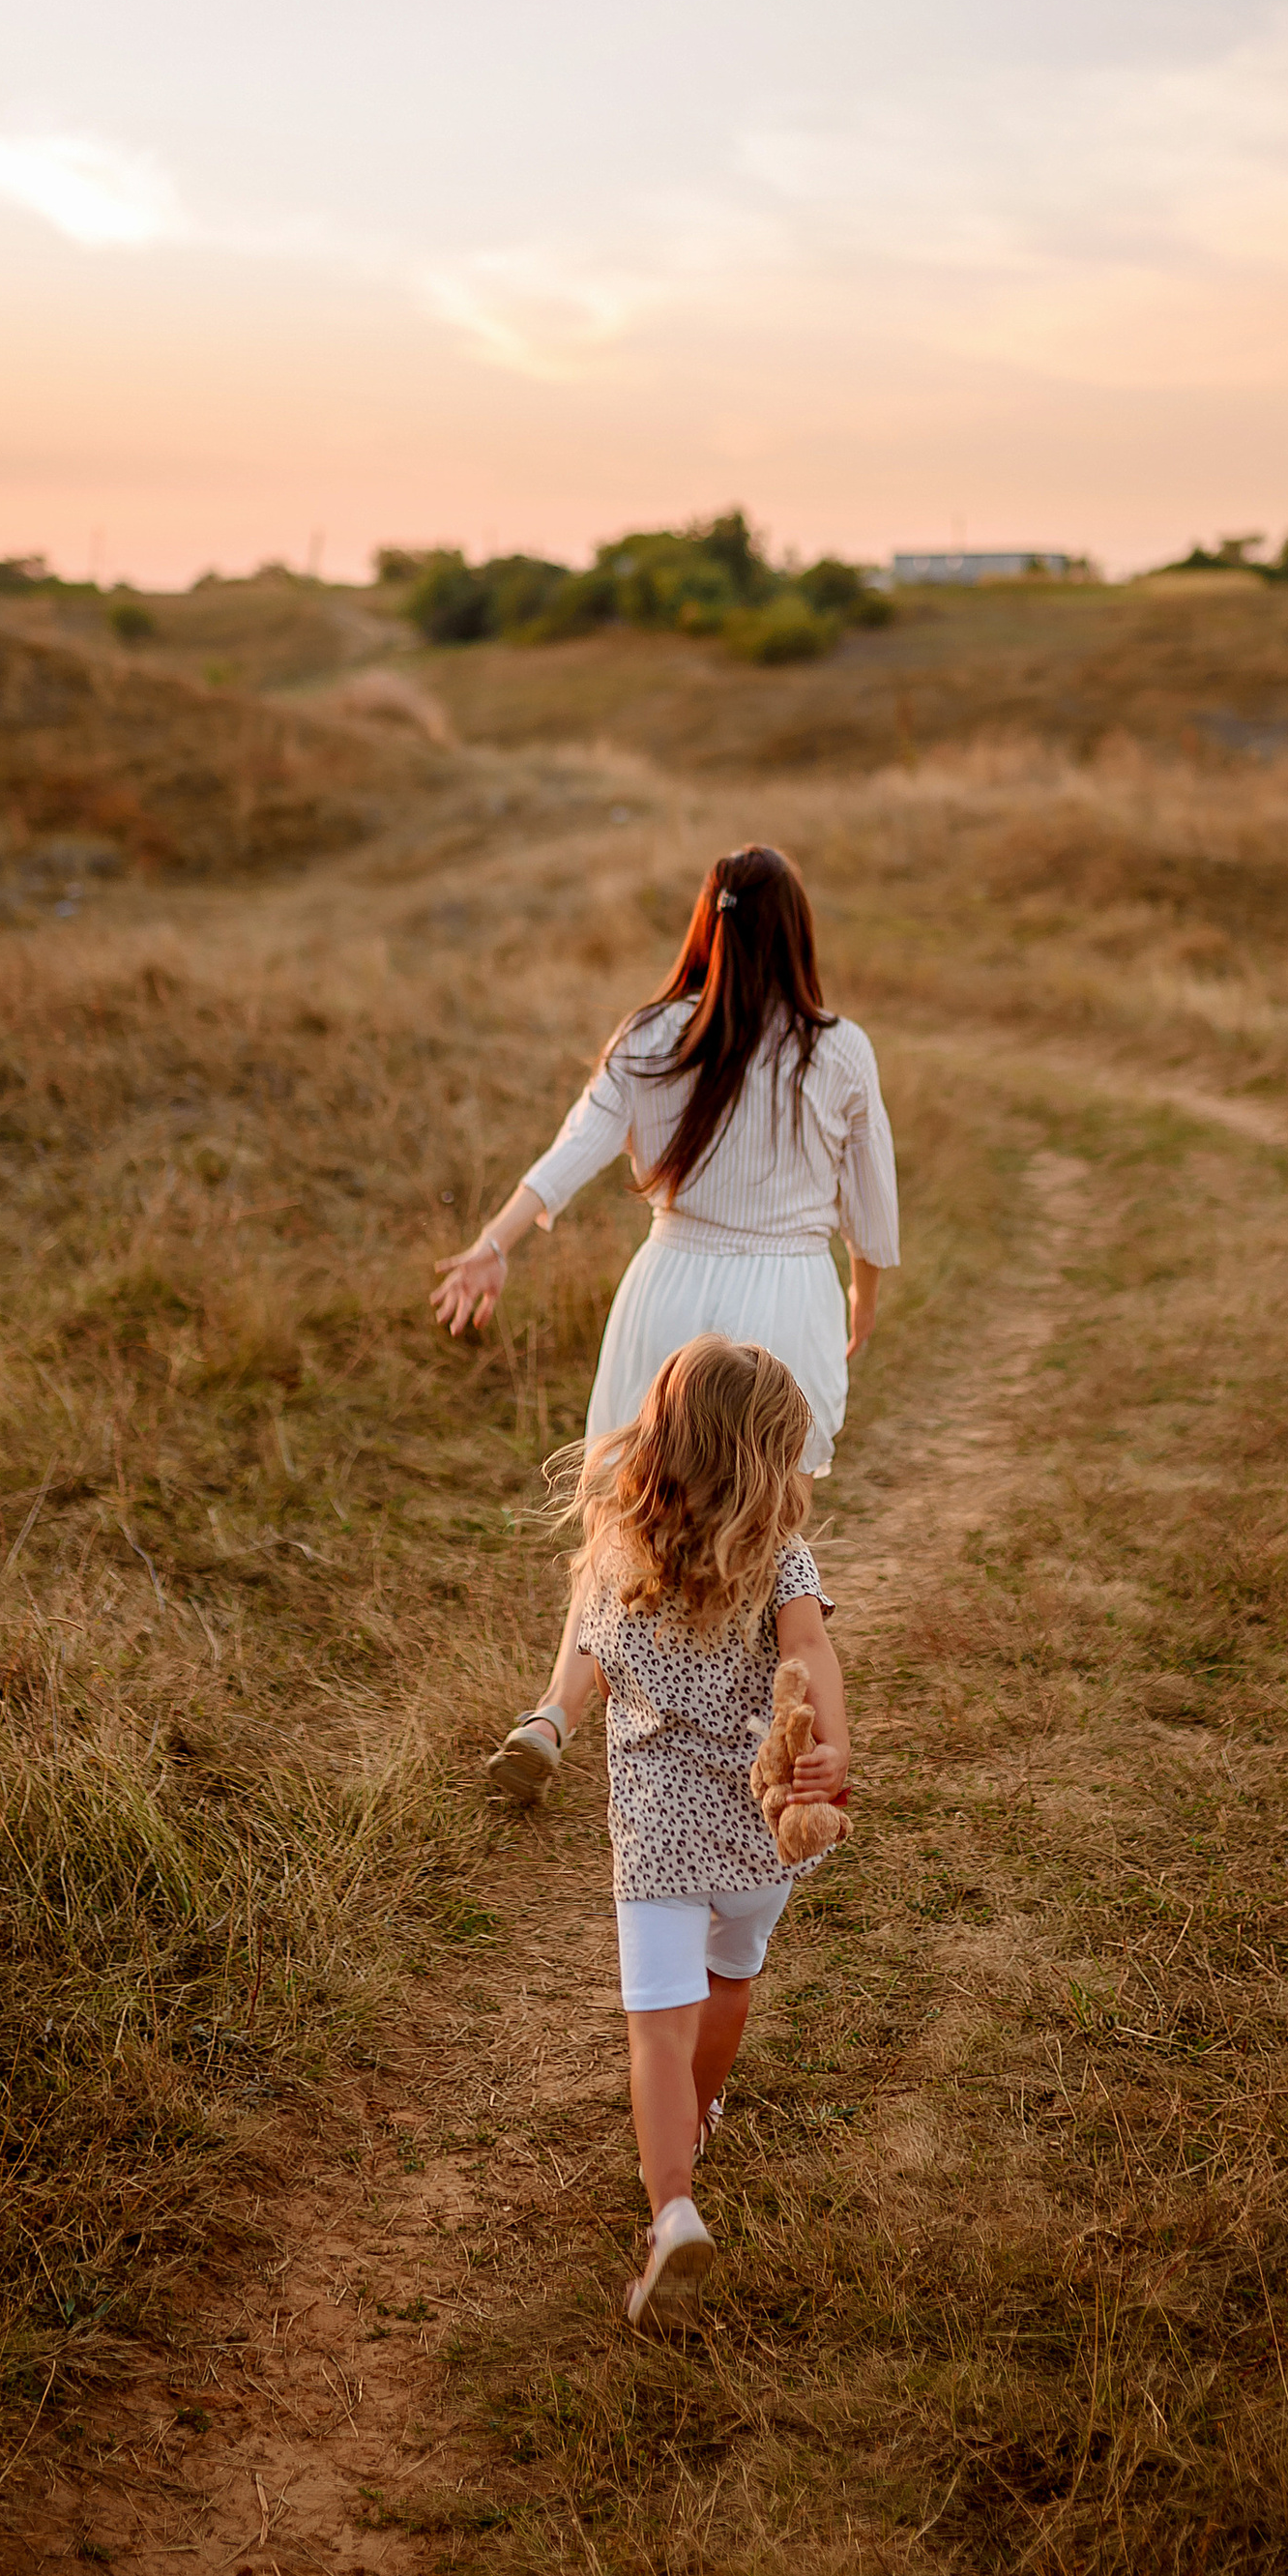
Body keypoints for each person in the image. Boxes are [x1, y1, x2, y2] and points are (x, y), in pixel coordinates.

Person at [428, 842, 896, 1802]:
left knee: (621, 1516)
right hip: (784, 1304)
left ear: (706, 925)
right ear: (797, 936)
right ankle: (749, 1734)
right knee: (764, 1530)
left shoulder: (651, 1035)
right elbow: (873, 1214)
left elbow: (572, 1153)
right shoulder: (836, 1047)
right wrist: (861, 1299)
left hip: (670, 1285)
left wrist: (494, 1241)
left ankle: (555, 1713)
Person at [560, 1332, 851, 2326]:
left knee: (658, 2022)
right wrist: (830, 1757)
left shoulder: (615, 1553)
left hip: (655, 1843)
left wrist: (553, 1714)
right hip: (755, 1835)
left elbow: (590, 1666)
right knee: (727, 1988)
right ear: (764, 1462)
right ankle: (703, 2115)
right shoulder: (784, 1558)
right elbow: (810, 1655)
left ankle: (671, 2208)